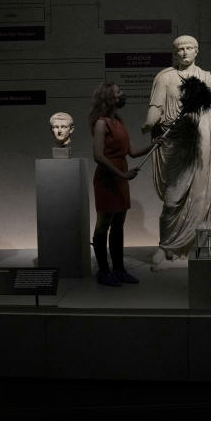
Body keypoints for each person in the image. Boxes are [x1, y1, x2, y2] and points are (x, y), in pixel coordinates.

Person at [142, 35, 211, 266]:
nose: (184, 52)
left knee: (201, 196)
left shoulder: (208, 78)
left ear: (197, 51)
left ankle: (196, 244)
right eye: (180, 49)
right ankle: (166, 244)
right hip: (175, 143)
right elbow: (156, 107)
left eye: (189, 48)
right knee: (172, 199)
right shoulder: (166, 78)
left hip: (200, 142)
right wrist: (149, 123)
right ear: (174, 52)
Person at [89, 83, 155, 286]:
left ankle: (119, 269)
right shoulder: (101, 123)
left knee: (118, 225)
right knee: (103, 225)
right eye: (119, 92)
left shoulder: (118, 121)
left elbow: (132, 151)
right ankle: (104, 271)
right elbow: (98, 156)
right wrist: (122, 174)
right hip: (108, 177)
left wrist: (154, 144)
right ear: (109, 97)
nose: (123, 94)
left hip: (120, 175)